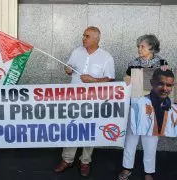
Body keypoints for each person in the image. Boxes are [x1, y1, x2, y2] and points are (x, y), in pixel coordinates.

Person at [53, 26, 115, 177]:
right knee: (72, 128)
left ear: (96, 39)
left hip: (93, 101)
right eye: (83, 36)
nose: (83, 38)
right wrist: (67, 70)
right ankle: (67, 159)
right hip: (73, 99)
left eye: (87, 36)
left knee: (89, 130)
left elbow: (110, 79)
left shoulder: (106, 57)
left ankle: (85, 161)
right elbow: (69, 68)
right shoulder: (76, 52)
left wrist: (93, 80)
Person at [118, 69, 177, 180]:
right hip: (134, 115)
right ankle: (127, 168)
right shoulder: (137, 101)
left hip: (155, 122)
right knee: (130, 143)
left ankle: (149, 171)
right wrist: (126, 82)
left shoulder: (173, 108)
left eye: (169, 85)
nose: (165, 88)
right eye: (161, 84)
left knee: (151, 147)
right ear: (152, 83)